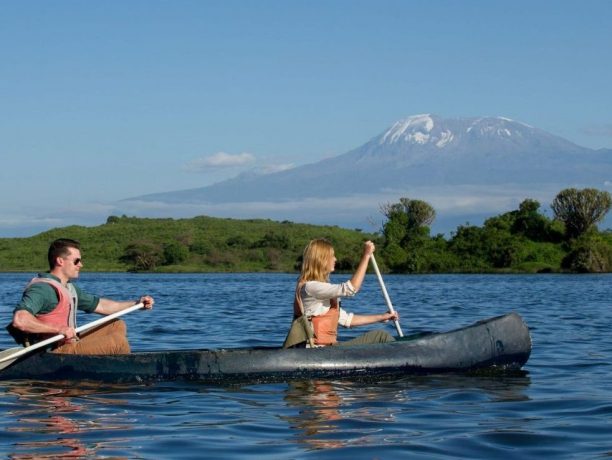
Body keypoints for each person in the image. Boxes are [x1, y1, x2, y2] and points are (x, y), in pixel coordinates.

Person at [8, 238, 154, 355]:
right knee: (118, 343)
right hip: (52, 352)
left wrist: (137, 304)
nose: (81, 265)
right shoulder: (43, 289)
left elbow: (103, 306)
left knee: (116, 325)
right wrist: (59, 329)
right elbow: (20, 320)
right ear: (60, 261)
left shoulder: (69, 288)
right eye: (77, 260)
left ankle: (102, 363)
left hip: (68, 342)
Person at [284, 238, 398, 348]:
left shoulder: (320, 290)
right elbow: (351, 289)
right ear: (321, 260)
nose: (335, 259)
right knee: (381, 336)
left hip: (329, 348)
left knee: (380, 336)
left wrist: (382, 317)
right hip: (317, 351)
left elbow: (347, 320)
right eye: (332, 256)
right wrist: (366, 255)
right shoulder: (311, 287)